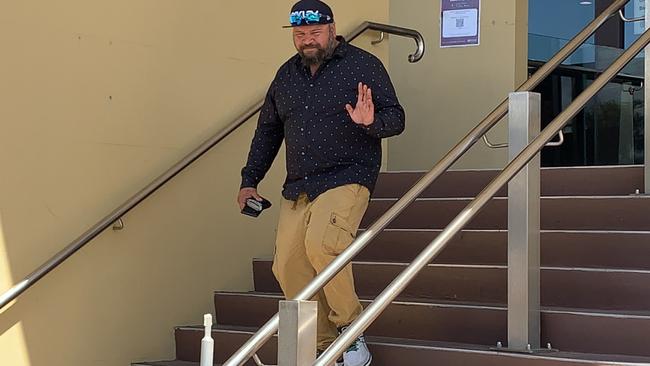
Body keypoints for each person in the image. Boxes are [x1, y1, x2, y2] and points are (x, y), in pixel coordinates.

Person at [237, 1, 405, 365]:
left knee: (324, 246)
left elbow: (396, 117)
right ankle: (322, 346)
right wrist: (249, 180)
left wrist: (369, 122)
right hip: (299, 184)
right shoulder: (286, 75)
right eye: (300, 35)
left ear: (331, 29)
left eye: (314, 33)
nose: (307, 41)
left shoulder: (362, 65)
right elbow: (268, 131)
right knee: (287, 266)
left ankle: (351, 332)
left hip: (348, 174)